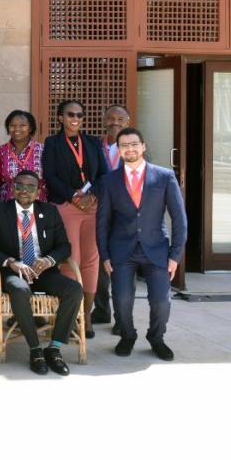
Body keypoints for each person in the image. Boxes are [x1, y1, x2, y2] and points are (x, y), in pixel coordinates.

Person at [0, 170, 81, 375]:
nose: (24, 191)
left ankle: (54, 348)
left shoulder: (49, 211)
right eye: (19, 186)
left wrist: (48, 260)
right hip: (13, 272)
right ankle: (35, 350)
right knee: (19, 290)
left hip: (42, 271)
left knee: (74, 290)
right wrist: (11, 262)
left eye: (30, 187)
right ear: (13, 188)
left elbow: (64, 246)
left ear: (39, 191)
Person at [97, 128, 186, 361]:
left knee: (161, 301)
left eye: (134, 144)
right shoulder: (108, 181)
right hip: (121, 250)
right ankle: (127, 336)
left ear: (143, 146)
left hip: (156, 249)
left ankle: (156, 338)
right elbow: (103, 221)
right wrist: (104, 255)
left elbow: (179, 219)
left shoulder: (164, 177)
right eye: (124, 145)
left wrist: (175, 256)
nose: (130, 149)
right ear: (119, 150)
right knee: (122, 299)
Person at [42, 99, 108, 338]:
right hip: (67, 206)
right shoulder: (52, 143)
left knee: (91, 260)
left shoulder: (92, 142)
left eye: (80, 115)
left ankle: (86, 315)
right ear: (60, 117)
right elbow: (50, 176)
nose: (75, 119)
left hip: (92, 206)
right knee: (72, 258)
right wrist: (73, 195)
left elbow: (103, 174)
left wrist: (92, 195)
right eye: (70, 114)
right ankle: (72, 313)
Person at [93, 104, 131, 325]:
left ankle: (122, 319)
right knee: (98, 264)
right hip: (99, 212)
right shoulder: (95, 146)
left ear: (128, 122)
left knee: (122, 268)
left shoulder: (135, 147)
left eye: (120, 119)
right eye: (110, 119)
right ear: (103, 121)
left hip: (125, 215)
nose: (114, 123)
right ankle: (101, 310)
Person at [0, 110, 47, 202]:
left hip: (37, 204)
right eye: (12, 125)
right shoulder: (0, 151)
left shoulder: (43, 150)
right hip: (8, 205)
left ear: (30, 128)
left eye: (22, 125)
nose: (17, 129)